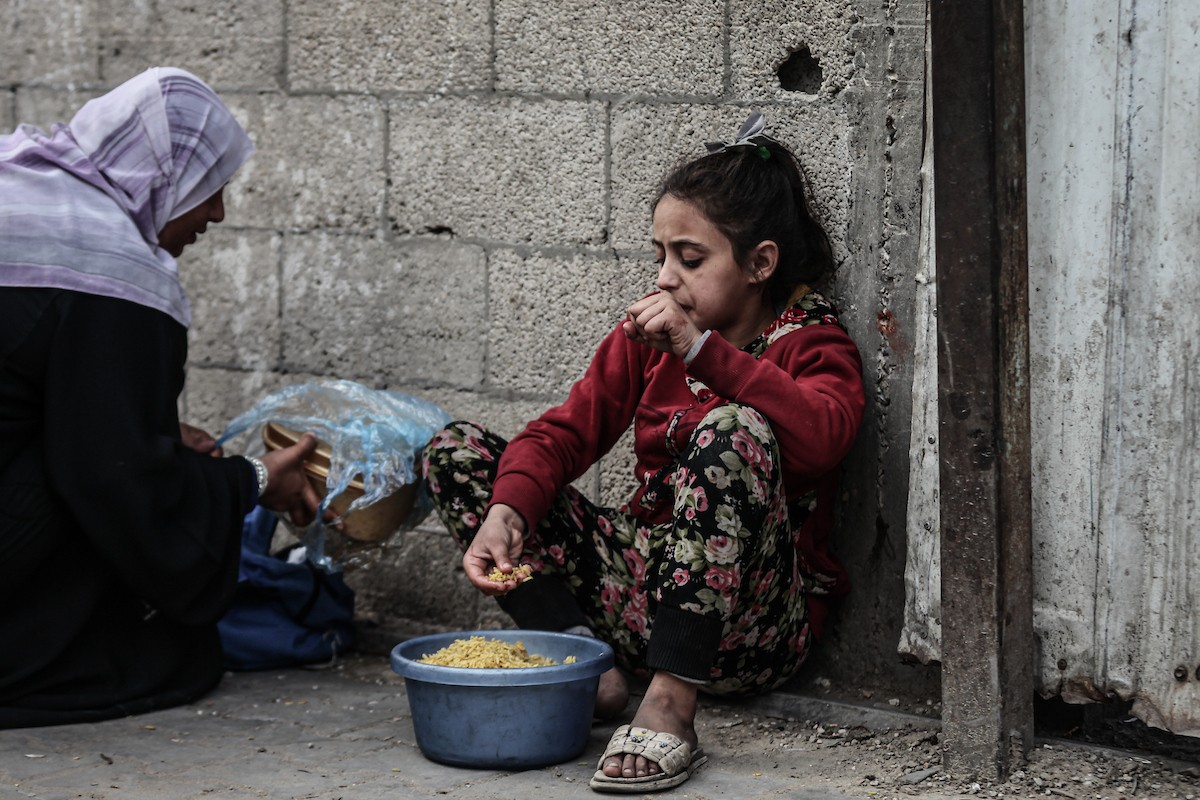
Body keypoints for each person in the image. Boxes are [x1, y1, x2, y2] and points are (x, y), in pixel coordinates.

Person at [422, 112, 865, 793]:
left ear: (760, 264)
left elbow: (826, 436)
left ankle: (671, 704)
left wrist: (703, 353)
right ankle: (583, 664)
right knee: (457, 454)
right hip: (639, 598)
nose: (664, 278)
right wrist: (508, 512)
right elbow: (564, 433)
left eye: (689, 260)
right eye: (659, 255)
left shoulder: (810, 340)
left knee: (733, 429)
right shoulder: (647, 337)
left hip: (748, 630)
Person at [0, 67, 324, 728]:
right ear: (159, 174)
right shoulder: (112, 268)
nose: (217, 212)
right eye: (208, 187)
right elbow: (113, 477)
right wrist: (253, 479)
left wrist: (154, 433)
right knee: (164, 641)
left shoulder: (21, 186)